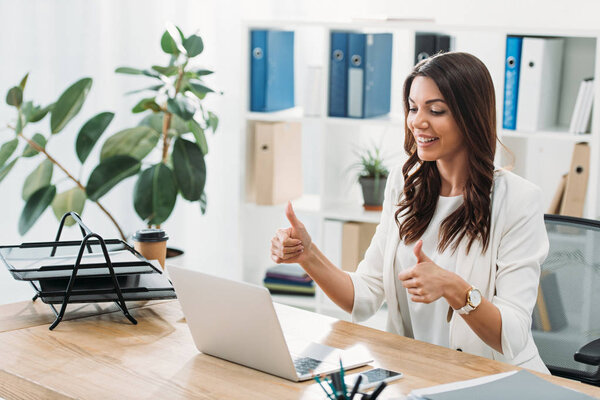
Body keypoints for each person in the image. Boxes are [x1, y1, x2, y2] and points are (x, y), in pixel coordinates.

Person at [270, 52, 549, 373]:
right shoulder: (405, 185)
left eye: (436, 110)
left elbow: (511, 336)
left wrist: (454, 289)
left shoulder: (518, 200)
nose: (417, 121)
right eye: (413, 108)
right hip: (417, 374)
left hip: (496, 378)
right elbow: (363, 297)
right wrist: (308, 255)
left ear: (471, 116)